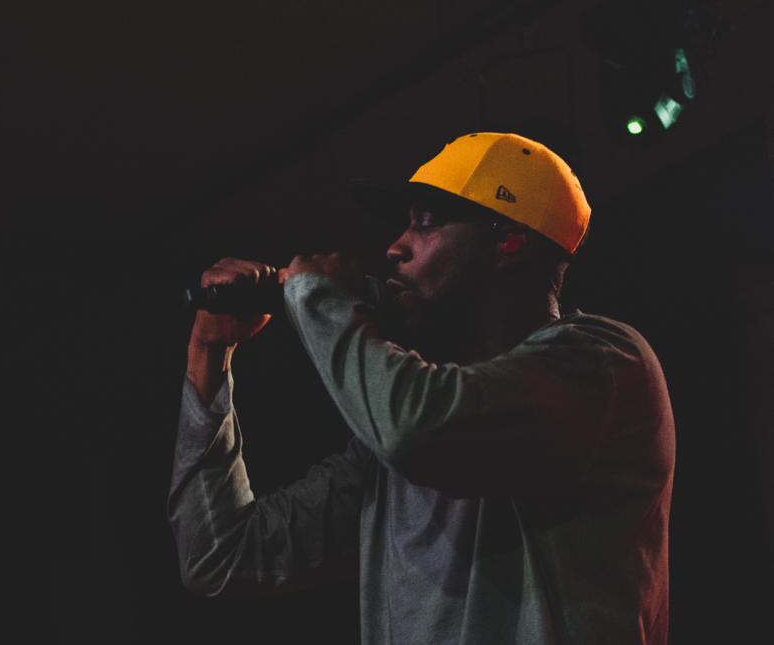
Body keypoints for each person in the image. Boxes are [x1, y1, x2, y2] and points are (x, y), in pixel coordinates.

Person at [168, 132, 675, 644]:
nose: (394, 248)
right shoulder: (391, 448)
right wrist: (210, 353)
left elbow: (419, 429)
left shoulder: (604, 364)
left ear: (509, 241)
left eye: (426, 225)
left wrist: (318, 298)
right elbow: (219, 556)